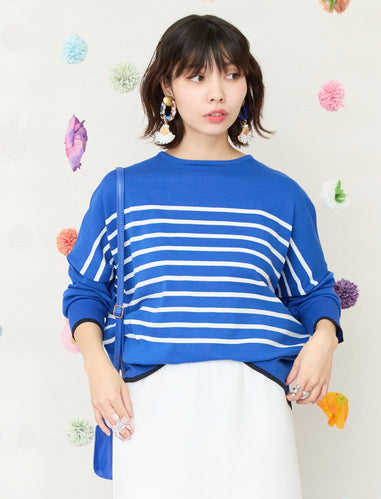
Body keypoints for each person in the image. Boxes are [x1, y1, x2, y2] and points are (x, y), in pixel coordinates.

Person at [62, 14, 343, 499]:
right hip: (150, 403)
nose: (217, 93)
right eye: (197, 77)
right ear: (167, 86)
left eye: (232, 75)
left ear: (247, 84)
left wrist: (324, 339)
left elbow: (313, 293)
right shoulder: (122, 190)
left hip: (255, 403)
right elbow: (86, 292)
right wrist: (97, 368)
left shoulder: (282, 196)